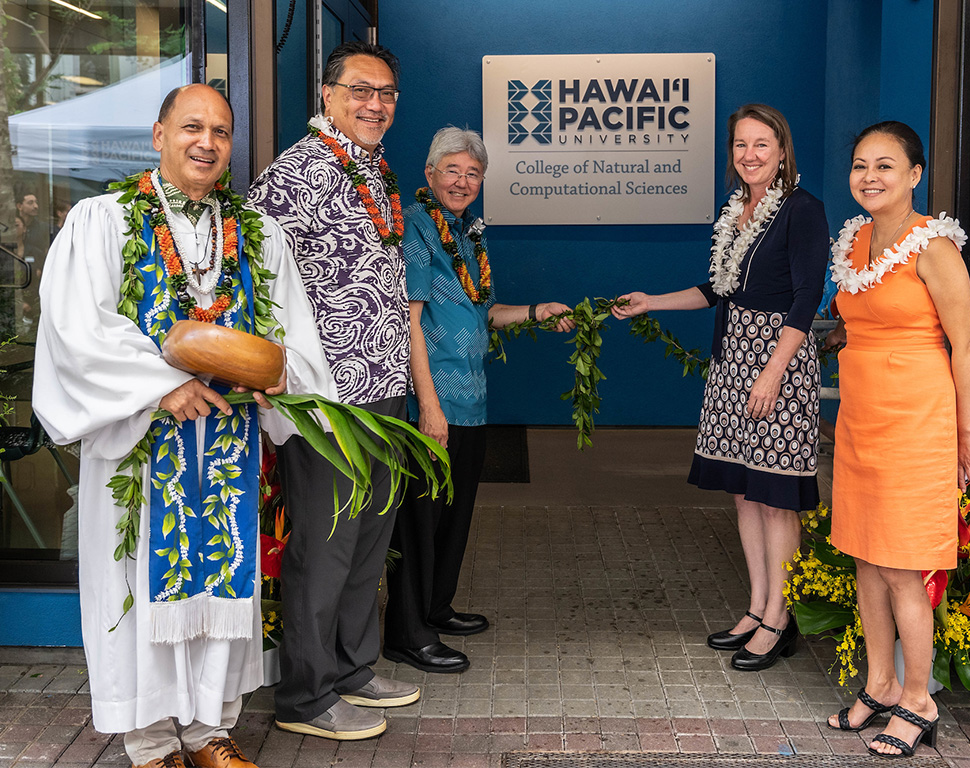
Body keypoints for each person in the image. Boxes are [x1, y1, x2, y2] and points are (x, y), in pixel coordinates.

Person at [32, 83, 331, 768]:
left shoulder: (255, 234)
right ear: (159, 134)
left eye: (221, 132)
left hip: (225, 447)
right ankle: (149, 740)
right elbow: (78, 327)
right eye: (192, 127)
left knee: (224, 585)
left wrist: (281, 380)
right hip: (143, 448)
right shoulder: (102, 221)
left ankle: (208, 731)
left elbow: (293, 335)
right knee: (138, 589)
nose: (207, 142)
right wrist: (163, 387)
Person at [612, 104, 829, 671]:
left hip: (776, 363)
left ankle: (782, 619)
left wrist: (774, 371)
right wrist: (651, 302)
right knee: (744, 492)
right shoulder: (736, 211)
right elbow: (717, 290)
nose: (750, 155)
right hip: (732, 358)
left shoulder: (803, 210)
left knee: (777, 498)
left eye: (762, 144)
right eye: (740, 144)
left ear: (783, 150)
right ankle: (758, 607)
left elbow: (807, 297)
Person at [248, 41, 418, 740]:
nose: (374, 104)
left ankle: (352, 666)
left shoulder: (374, 172)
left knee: (368, 539)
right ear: (327, 95)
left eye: (386, 93)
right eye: (360, 90)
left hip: (384, 390)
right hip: (328, 402)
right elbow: (251, 269)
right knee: (325, 544)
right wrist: (271, 376)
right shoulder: (298, 172)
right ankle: (306, 697)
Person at [382, 127, 574, 673]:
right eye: (453, 171)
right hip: (434, 399)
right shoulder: (418, 228)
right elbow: (411, 321)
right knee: (419, 520)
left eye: (472, 174)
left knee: (454, 514)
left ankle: (436, 608)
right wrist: (429, 406)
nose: (463, 182)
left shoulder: (470, 234)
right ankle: (406, 631)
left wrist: (540, 312)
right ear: (430, 174)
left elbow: (485, 312)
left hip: (473, 400)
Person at [825, 122, 970, 758]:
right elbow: (858, 322)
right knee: (866, 560)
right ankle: (882, 683)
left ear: (915, 176)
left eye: (886, 166)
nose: (870, 177)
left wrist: (966, 434)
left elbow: (966, 344)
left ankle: (919, 701)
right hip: (861, 419)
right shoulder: (858, 239)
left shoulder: (934, 247)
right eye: (861, 164)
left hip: (915, 421)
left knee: (900, 567)